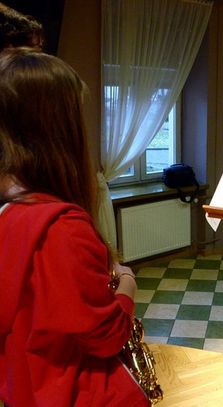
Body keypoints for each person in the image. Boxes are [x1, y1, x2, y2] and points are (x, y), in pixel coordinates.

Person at [0, 48, 149, 406]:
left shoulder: (10, 210)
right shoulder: (62, 226)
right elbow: (106, 335)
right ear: (59, 130)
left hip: (25, 388)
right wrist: (127, 283)